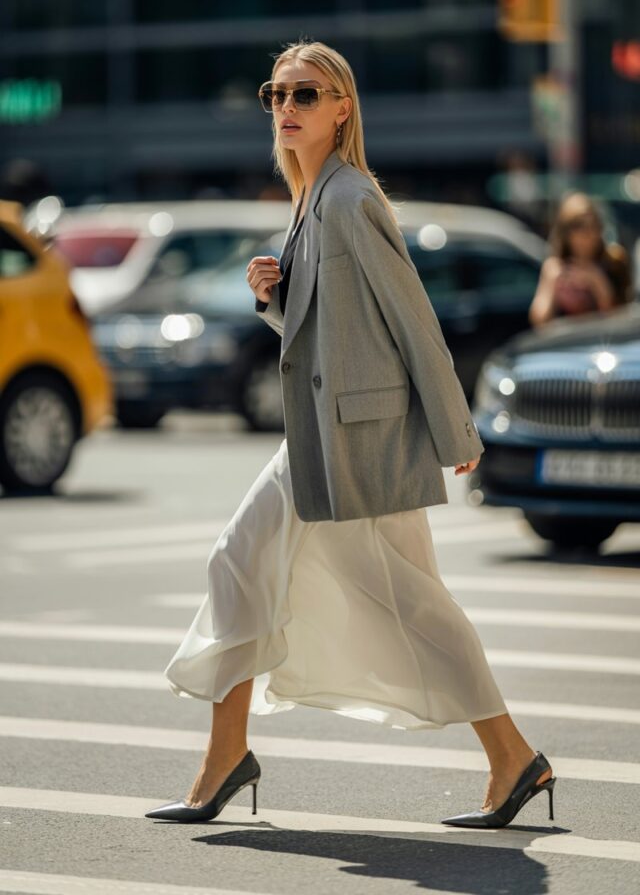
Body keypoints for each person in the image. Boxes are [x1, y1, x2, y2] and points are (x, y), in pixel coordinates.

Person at [145, 40, 555, 830]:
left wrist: (453, 428)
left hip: (355, 442)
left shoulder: (348, 197)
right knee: (245, 564)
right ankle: (225, 756)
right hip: (322, 439)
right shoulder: (309, 200)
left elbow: (412, 318)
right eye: (277, 94)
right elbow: (324, 332)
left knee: (399, 600)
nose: (288, 108)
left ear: (342, 109)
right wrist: (276, 296)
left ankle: (512, 756)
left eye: (306, 94)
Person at [529, 191, 633, 327]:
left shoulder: (615, 261)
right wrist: (554, 283)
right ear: (565, 232)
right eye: (579, 226)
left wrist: (597, 282)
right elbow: (539, 322)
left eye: (593, 225)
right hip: (568, 344)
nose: (588, 233)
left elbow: (622, 320)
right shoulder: (554, 267)